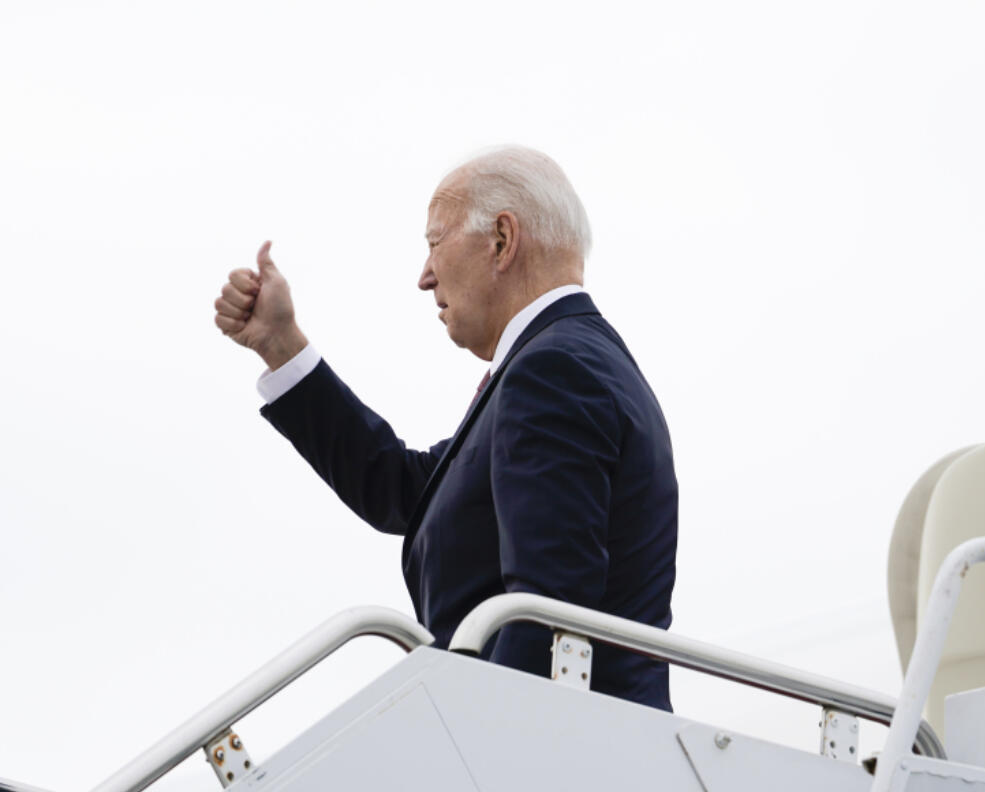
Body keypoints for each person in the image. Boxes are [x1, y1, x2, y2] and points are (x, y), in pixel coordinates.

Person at [213, 147, 678, 710]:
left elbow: (545, 614)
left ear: (502, 241)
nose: (424, 276)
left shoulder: (554, 371)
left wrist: (476, 752)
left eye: (435, 242)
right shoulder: (566, 361)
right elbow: (405, 491)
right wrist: (280, 345)